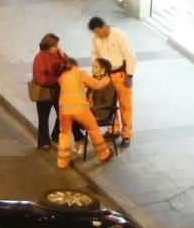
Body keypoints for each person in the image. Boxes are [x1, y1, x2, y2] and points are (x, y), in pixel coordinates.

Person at [56, 57, 113, 168]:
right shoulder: (80, 73)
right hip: (80, 110)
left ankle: (62, 162)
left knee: (64, 134)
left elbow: (72, 87)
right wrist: (106, 80)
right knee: (93, 128)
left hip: (64, 111)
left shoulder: (62, 77)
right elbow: (97, 85)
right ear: (75, 65)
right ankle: (104, 154)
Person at [88, 16, 136, 148]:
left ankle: (126, 134)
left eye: (97, 32)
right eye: (95, 33)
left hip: (120, 74)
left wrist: (130, 75)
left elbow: (130, 56)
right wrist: (96, 71)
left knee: (125, 105)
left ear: (103, 27)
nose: (97, 35)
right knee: (108, 103)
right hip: (105, 77)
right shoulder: (96, 39)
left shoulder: (119, 35)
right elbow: (94, 55)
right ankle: (113, 130)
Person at [32, 33, 83, 150]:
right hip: (44, 94)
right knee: (43, 118)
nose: (58, 47)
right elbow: (40, 78)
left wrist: (63, 54)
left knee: (62, 114)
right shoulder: (39, 58)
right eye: (56, 45)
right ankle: (44, 142)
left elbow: (70, 65)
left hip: (58, 92)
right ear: (50, 47)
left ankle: (56, 135)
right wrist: (56, 80)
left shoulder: (58, 55)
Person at [88, 57, 117, 124]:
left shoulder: (107, 83)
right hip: (90, 110)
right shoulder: (93, 80)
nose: (92, 69)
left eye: (96, 67)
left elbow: (107, 103)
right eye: (92, 66)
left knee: (73, 118)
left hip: (100, 113)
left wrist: (92, 108)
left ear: (103, 70)